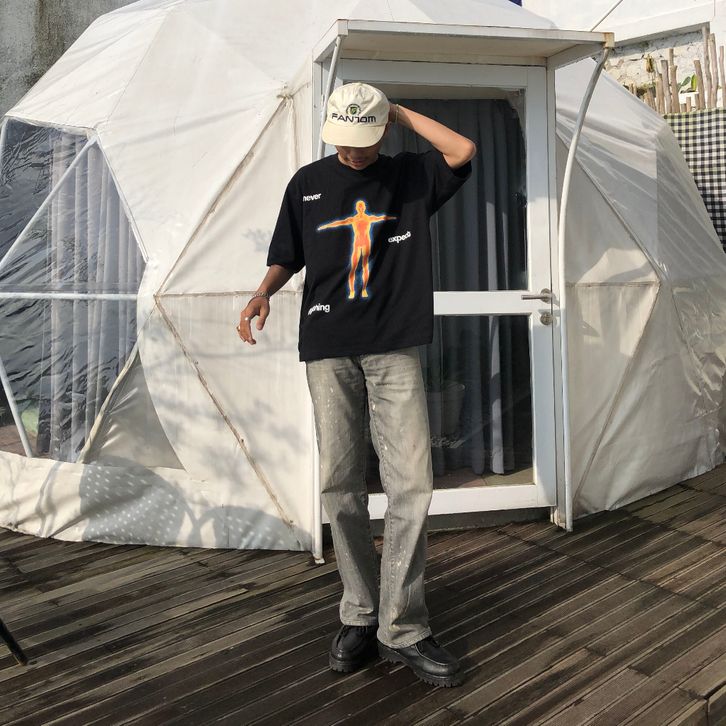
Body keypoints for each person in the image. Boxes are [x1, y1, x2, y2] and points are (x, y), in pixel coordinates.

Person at [237, 82, 475, 688]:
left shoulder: (409, 177)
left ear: (381, 130)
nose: (352, 152)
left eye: (363, 140)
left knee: (411, 485)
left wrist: (400, 113)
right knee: (340, 484)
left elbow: (462, 150)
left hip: (394, 344)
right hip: (328, 346)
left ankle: (404, 626)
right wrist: (263, 293)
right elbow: (288, 252)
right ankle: (360, 613)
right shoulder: (308, 183)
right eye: (343, 141)